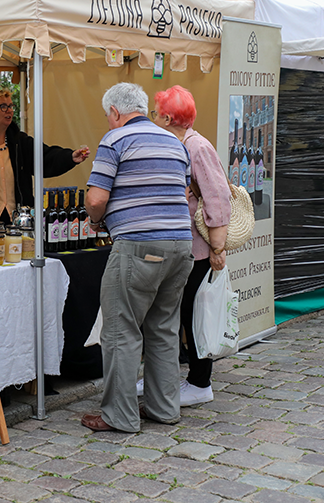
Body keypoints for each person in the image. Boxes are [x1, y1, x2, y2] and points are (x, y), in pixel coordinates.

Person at [81, 83, 195, 433]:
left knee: (121, 330)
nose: (108, 122)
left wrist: (96, 220)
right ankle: (164, 408)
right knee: (163, 329)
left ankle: (119, 415)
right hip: (180, 245)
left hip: (139, 247)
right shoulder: (175, 143)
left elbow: (97, 199)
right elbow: (185, 191)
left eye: (108, 116)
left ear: (115, 112)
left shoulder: (114, 141)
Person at [139, 85, 231, 406]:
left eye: (155, 112)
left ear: (166, 117)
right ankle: (164, 376)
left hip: (199, 251)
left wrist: (218, 247)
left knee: (195, 316)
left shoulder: (197, 147)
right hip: (183, 248)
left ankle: (200, 382)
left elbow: (218, 197)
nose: (153, 117)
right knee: (173, 315)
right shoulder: (179, 143)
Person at [0, 89, 89, 222]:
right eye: (3, 106)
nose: (9, 111)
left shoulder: (20, 142)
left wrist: (70, 157)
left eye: (11, 106)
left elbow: (45, 157)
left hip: (16, 221)